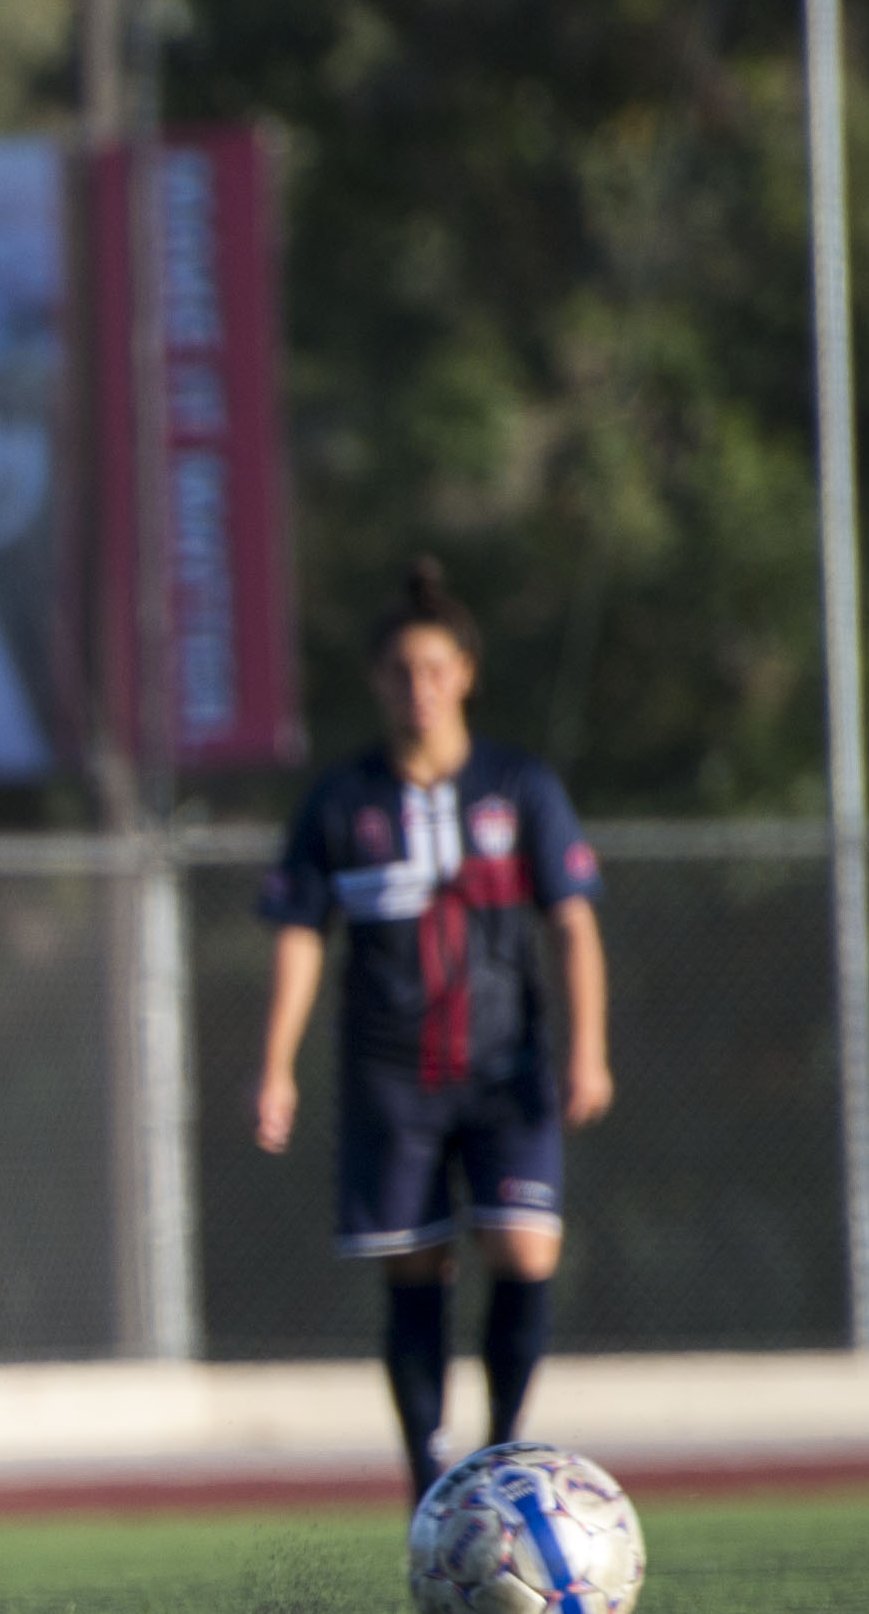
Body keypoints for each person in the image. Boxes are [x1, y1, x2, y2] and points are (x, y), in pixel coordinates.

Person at [252, 557, 612, 1501]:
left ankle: (501, 1456)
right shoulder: (342, 803)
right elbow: (300, 936)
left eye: (437, 669)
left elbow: (572, 921)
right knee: (417, 1268)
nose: (421, 688)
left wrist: (588, 1050)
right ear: (379, 682)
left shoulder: (519, 786)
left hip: (509, 1069)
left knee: (526, 1248)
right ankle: (427, 1474)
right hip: (392, 1075)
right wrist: (276, 1068)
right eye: (403, 672)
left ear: (466, 674)